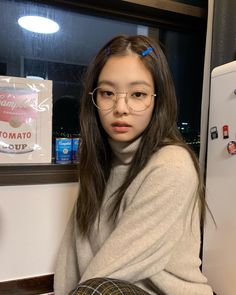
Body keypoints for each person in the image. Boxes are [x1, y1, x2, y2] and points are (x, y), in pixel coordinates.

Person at [54, 35, 213, 295]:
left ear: (157, 100)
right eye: (107, 93)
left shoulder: (172, 165)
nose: (120, 107)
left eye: (138, 94)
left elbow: (109, 273)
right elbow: (72, 254)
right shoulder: (98, 162)